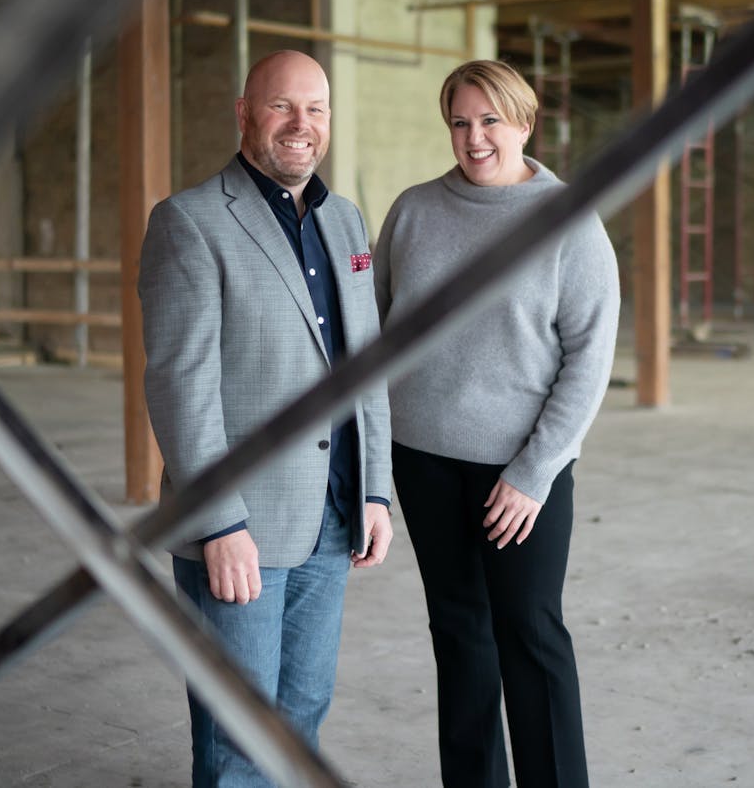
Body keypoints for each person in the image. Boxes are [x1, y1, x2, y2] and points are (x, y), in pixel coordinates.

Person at [138, 49, 393, 788]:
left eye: (315, 109)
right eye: (282, 106)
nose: (300, 125)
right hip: (242, 524)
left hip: (333, 516)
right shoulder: (189, 222)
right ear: (245, 114)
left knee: (304, 707)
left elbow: (365, 362)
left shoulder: (345, 221)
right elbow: (179, 385)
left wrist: (376, 490)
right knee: (239, 727)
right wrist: (218, 524)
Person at [373, 59, 619, 788]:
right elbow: (378, 334)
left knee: (531, 635)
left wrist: (533, 472)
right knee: (458, 634)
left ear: (524, 122)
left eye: (489, 120)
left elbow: (589, 358)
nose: (474, 138)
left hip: (522, 471)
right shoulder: (414, 212)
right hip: (422, 460)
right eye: (459, 122)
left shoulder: (568, 219)